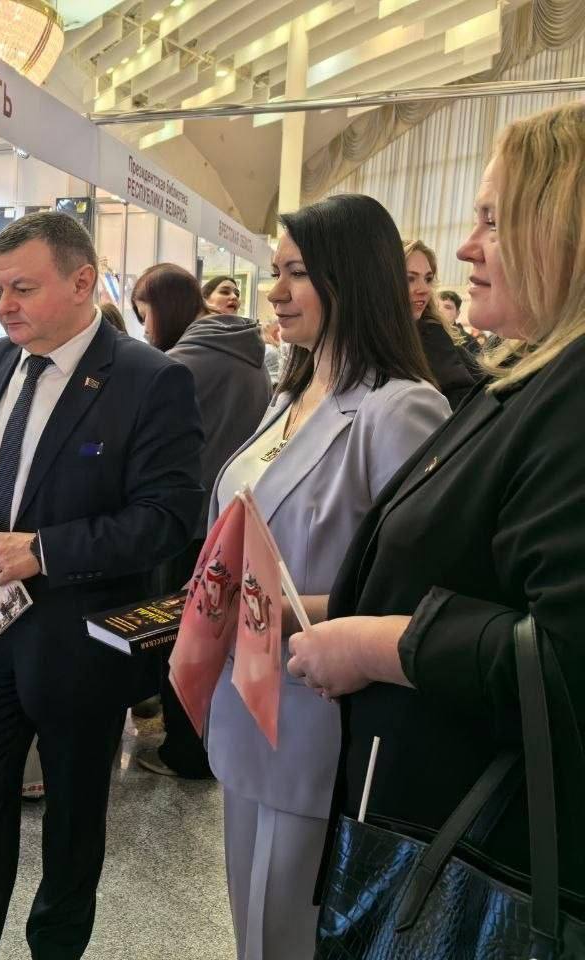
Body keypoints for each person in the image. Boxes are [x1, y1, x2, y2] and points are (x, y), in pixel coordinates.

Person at [288, 101, 585, 939]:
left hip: (485, 861)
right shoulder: (527, 380)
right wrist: (329, 609)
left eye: (492, 219)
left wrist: (372, 644)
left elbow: (564, 659)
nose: (465, 248)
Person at [0, 212, 204, 960]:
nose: (4, 306)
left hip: (81, 646)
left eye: (22, 288)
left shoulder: (151, 380)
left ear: (82, 282)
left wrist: (44, 551)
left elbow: (167, 519)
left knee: (73, 827)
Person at [199, 195, 449, 960]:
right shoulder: (291, 394)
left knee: (289, 933)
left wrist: (282, 607)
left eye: (297, 273)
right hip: (246, 708)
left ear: (352, 277)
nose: (275, 291)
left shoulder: (399, 410)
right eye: (275, 271)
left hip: (318, 722)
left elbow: (418, 596)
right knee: (254, 927)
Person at [130, 262, 271, 779]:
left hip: (188, 522)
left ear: (164, 308)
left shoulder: (179, 364)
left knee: (181, 636)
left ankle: (184, 751)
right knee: (216, 634)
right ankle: (207, 745)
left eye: (145, 314)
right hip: (236, 518)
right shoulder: (248, 352)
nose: (145, 327)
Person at [404, 239, 480, 407]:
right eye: (410, 279)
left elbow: (461, 401)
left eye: (428, 279)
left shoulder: (431, 335)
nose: (424, 289)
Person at [439, 288, 483, 356]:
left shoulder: (469, 342)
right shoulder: (424, 336)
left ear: (457, 314)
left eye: (447, 307)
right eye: (436, 306)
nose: (439, 310)